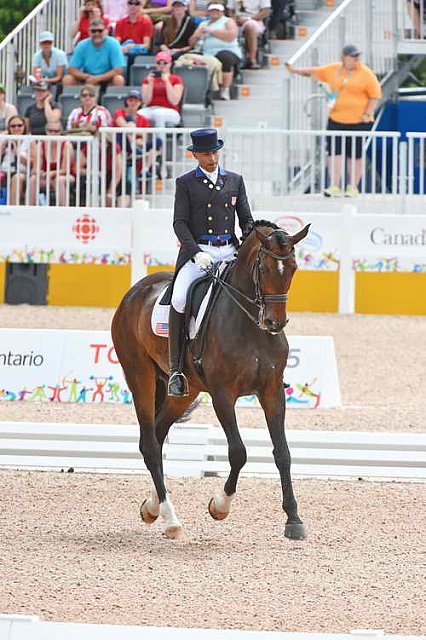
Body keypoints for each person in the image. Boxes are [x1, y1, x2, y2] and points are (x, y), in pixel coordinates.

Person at [167, 127, 254, 397]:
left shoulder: (235, 180)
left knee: (259, 294)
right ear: (195, 155)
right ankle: (176, 370)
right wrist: (195, 252)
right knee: (180, 299)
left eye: (214, 152)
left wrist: (248, 245)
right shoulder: (186, 183)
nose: (212, 158)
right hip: (201, 251)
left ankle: (266, 365)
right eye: (205, 154)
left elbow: (246, 219)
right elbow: (179, 223)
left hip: (229, 251)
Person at [285, 44, 382, 197]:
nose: (356, 59)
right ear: (344, 57)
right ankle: (334, 185)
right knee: (334, 153)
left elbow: (375, 96)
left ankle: (353, 187)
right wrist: (294, 70)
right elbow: (314, 72)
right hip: (336, 118)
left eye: (357, 56)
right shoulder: (335, 69)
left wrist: (367, 113)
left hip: (359, 121)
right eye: (352, 56)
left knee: (355, 155)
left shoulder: (366, 73)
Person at [189, 2, 242, 100]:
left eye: (217, 11)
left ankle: (224, 90)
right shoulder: (203, 24)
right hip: (207, 52)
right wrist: (196, 36)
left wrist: (211, 31)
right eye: (212, 11)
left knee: (225, 57)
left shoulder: (228, 21)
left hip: (228, 50)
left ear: (222, 12)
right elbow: (191, 43)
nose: (214, 13)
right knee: (188, 58)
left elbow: (230, 36)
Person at [113, 88, 162, 183]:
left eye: (136, 100)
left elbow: (144, 137)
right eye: (131, 100)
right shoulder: (120, 112)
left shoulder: (143, 119)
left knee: (158, 142)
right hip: (122, 143)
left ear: (140, 102)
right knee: (129, 122)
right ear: (127, 101)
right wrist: (135, 132)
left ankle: (145, 170)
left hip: (138, 145)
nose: (133, 103)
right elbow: (121, 123)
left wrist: (138, 139)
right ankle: (134, 148)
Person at [64, 18, 126, 88]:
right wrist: (86, 77)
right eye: (93, 31)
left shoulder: (114, 44)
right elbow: (72, 69)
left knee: (118, 79)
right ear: (89, 32)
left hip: (108, 79)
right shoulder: (82, 45)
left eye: (100, 31)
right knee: (67, 79)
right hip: (87, 78)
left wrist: (97, 78)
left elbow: (118, 70)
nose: (97, 34)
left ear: (106, 31)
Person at [29, 120, 75, 206]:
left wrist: (52, 173)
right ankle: (29, 208)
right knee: (33, 179)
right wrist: (42, 173)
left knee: (59, 180)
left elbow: (65, 170)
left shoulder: (67, 145)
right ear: (46, 131)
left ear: (60, 132)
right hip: (46, 177)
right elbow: (35, 169)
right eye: (50, 131)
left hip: (65, 176)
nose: (53, 133)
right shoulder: (40, 145)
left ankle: (64, 209)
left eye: (56, 131)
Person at [140, 50, 184, 127]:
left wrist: (167, 82)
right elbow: (146, 101)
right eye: (159, 63)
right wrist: (150, 83)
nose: (161, 65)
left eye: (165, 63)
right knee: (139, 114)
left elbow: (174, 101)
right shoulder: (148, 80)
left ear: (170, 64)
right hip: (151, 108)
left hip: (171, 110)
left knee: (159, 114)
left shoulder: (176, 79)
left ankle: (159, 139)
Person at [227, 0, 270, 69]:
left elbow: (265, 12)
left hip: (255, 21)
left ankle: (252, 59)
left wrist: (248, 19)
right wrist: (235, 19)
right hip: (237, 20)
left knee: (250, 25)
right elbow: (230, 11)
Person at [0, 116, 29, 205]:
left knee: (17, 178)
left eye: (19, 125)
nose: (16, 128)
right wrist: (2, 150)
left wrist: (17, 152)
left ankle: (12, 208)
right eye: (13, 126)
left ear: (24, 127)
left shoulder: (29, 140)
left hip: (21, 172)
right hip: (4, 171)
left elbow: (31, 163)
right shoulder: (3, 139)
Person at [32, 31, 68, 95]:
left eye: (49, 42)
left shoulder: (60, 54)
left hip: (60, 81)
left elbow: (59, 77)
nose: (46, 45)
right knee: (36, 84)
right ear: (40, 44)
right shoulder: (36, 56)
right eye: (44, 43)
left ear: (52, 43)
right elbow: (36, 73)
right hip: (45, 81)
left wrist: (45, 81)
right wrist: (40, 80)